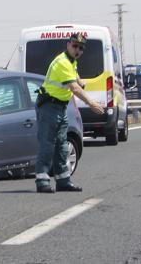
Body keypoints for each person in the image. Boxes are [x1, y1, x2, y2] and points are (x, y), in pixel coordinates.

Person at [35, 33, 104, 193]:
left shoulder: (71, 61)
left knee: (62, 145)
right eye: (75, 46)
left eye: (81, 48)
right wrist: (91, 102)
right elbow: (74, 88)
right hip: (49, 106)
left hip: (60, 107)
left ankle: (63, 180)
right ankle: (42, 181)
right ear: (68, 45)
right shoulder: (63, 63)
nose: (78, 50)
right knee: (47, 145)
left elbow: (75, 77)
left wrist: (79, 80)